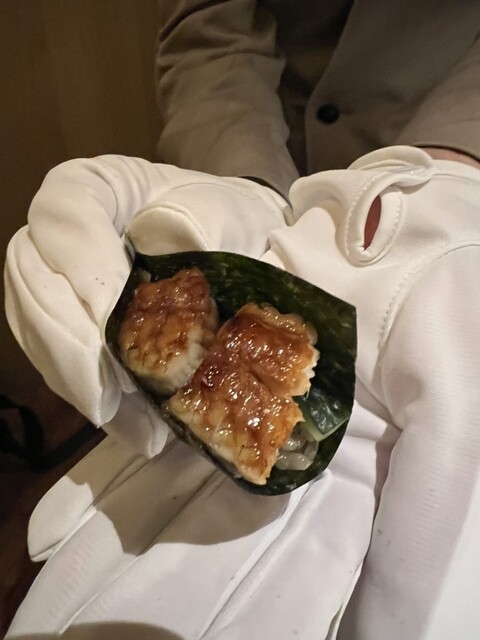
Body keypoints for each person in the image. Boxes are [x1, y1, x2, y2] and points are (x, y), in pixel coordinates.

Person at [3, 3, 480, 639]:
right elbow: (210, 22)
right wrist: (246, 188)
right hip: (261, 165)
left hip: (439, 160)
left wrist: (451, 180)